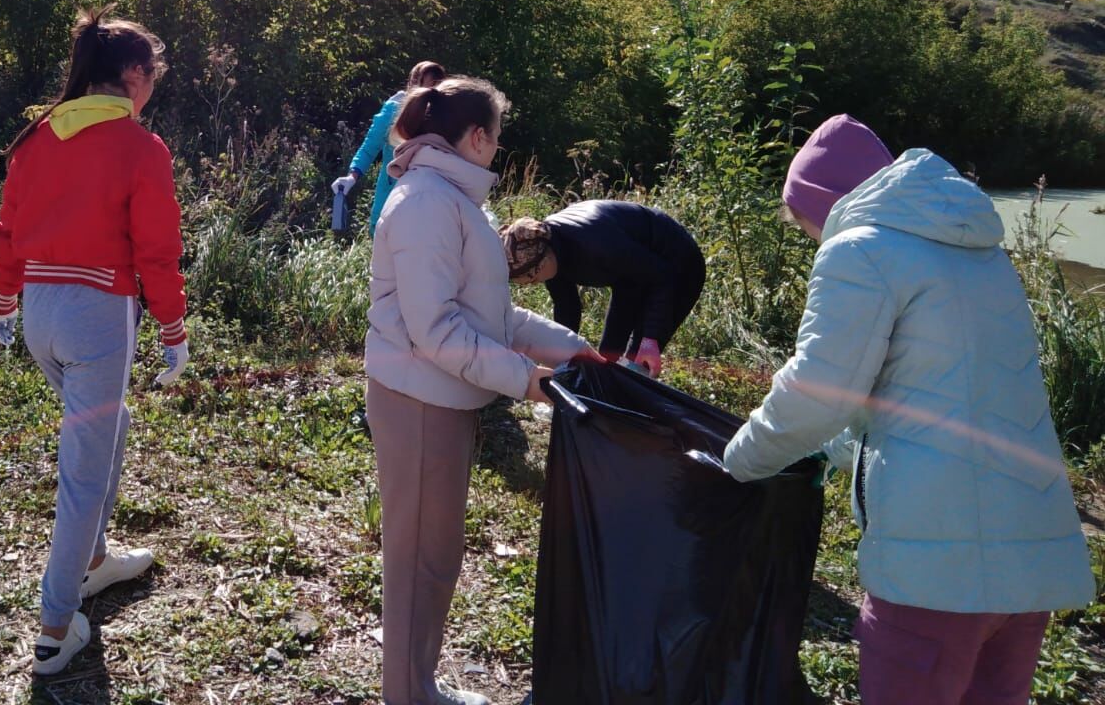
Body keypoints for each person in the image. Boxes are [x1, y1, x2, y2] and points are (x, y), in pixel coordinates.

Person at [721, 114, 1093, 705]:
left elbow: (817, 395)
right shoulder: (979, 252)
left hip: (937, 574)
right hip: (1029, 562)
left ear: (825, 204)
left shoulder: (859, 249)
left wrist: (737, 462)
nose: (809, 236)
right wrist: (835, 448)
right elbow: (934, 409)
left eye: (802, 221)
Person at [366, 76, 599, 705]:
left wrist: (573, 349)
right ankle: (407, 695)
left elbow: (491, 319)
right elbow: (436, 332)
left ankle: (418, 685)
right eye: (497, 138)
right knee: (418, 561)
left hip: (443, 398)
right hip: (418, 401)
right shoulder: (425, 204)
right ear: (475, 137)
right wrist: (528, 381)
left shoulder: (455, 200)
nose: (497, 151)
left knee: (435, 554)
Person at [0, 5, 191, 677]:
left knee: (107, 428)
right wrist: (173, 327)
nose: (153, 85)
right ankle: (52, 629)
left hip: (41, 312)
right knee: (83, 471)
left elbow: (9, 230)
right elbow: (157, 250)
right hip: (99, 313)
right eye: (152, 73)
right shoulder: (140, 147)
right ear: (132, 73)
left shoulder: (37, 137)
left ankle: (96, 561)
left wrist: (2, 303)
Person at [499, 202, 705, 377]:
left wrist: (651, 338)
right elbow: (567, 308)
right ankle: (608, 398)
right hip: (631, 274)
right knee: (607, 357)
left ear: (543, 261)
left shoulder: (595, 244)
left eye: (533, 280)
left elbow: (662, 276)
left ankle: (629, 412)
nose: (534, 284)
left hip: (677, 265)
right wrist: (560, 358)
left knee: (637, 360)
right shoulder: (549, 248)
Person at [332, 60, 446, 237]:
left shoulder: (443, 120)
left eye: (436, 88)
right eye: (428, 86)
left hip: (427, 206)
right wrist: (352, 177)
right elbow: (369, 148)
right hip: (390, 201)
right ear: (413, 84)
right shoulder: (394, 111)